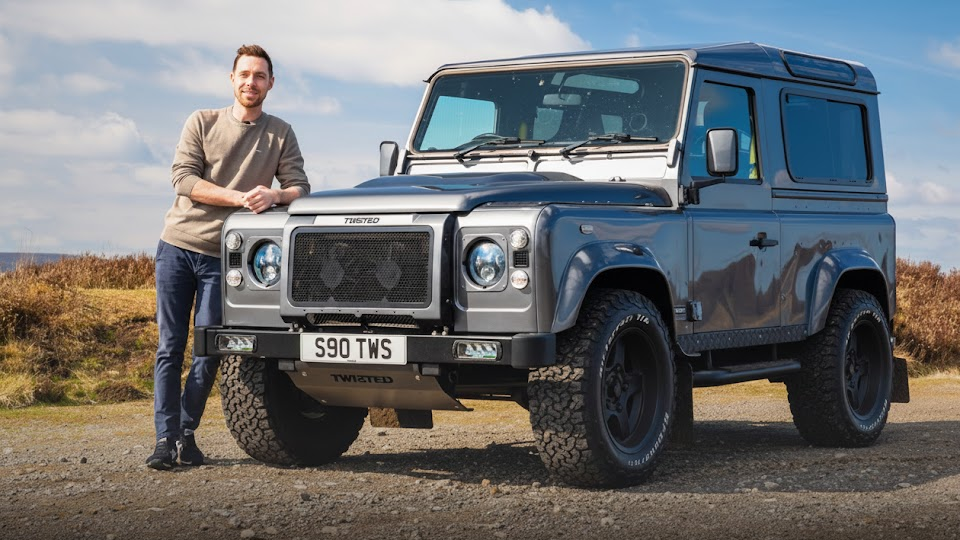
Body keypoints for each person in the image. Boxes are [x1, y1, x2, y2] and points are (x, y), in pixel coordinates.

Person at [146, 44, 310, 470]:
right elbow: (183, 180)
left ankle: (185, 432)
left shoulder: (280, 133)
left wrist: (275, 195)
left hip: (226, 260)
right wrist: (239, 198)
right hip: (178, 246)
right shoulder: (201, 121)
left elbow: (300, 187)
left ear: (270, 84)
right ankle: (165, 439)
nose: (251, 82)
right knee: (170, 347)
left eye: (259, 76)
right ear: (232, 79)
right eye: (244, 74)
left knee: (210, 350)